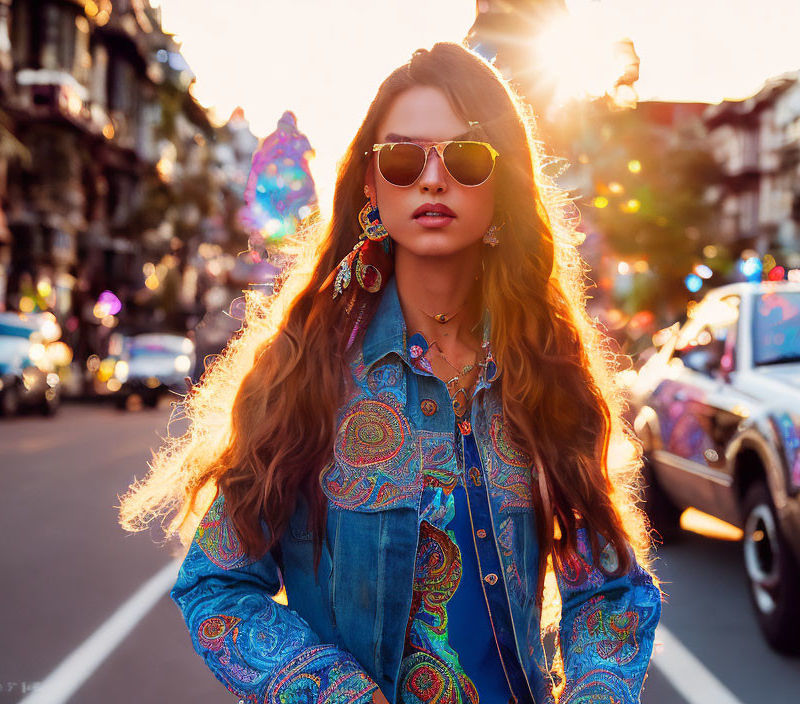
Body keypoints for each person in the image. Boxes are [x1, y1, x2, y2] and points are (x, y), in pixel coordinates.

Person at [118, 41, 664, 704]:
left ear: (505, 186)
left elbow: (607, 586)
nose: (433, 179)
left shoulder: (544, 371)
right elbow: (217, 583)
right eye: (405, 159)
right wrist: (338, 691)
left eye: (464, 158)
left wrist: (595, 693)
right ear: (372, 186)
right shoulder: (304, 374)